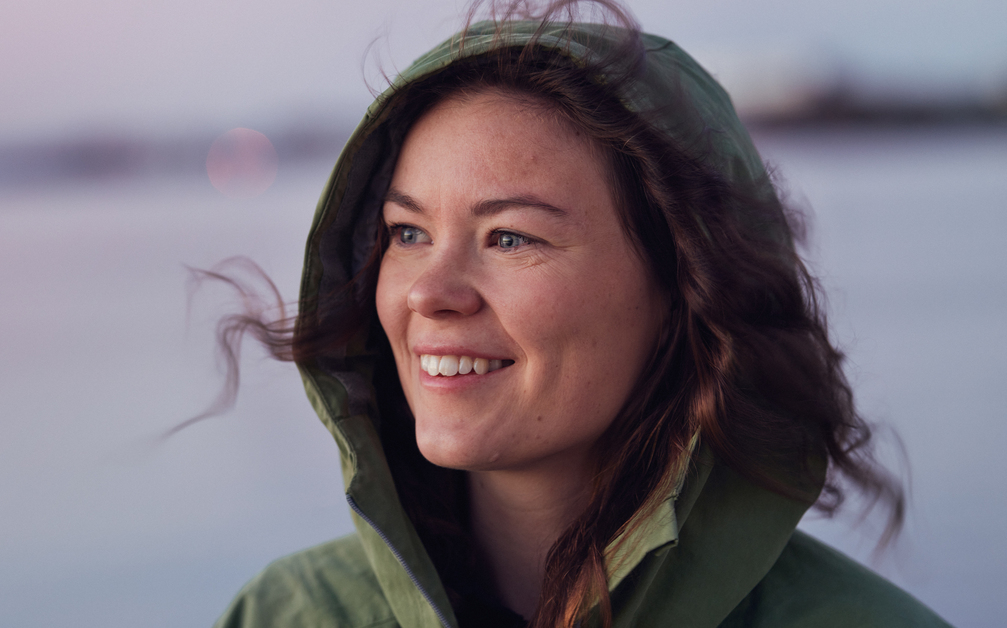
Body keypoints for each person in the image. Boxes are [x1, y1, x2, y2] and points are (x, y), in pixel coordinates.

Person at [211, 1, 952, 626]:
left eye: (510, 237)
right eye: (408, 234)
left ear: (684, 287)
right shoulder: (285, 613)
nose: (427, 293)